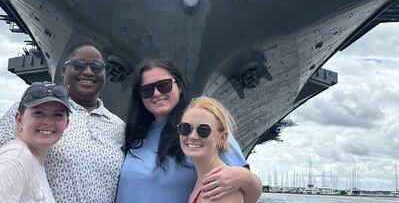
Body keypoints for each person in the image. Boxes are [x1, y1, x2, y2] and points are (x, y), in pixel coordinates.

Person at [116, 59, 262, 203]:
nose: (156, 93)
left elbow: (247, 193)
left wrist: (245, 177)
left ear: (179, 86)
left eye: (164, 85)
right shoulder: (134, 133)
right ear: (139, 96)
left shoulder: (203, 131)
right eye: (147, 90)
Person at [0, 43, 125, 203]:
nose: (88, 72)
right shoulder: (28, 112)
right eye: (79, 65)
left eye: (96, 67)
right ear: (63, 70)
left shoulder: (118, 126)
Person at [0, 82, 70, 203]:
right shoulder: (15, 159)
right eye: (38, 113)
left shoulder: (31, 159)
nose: (48, 122)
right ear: (19, 119)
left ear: (66, 124)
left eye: (57, 115)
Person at [179, 97, 244, 203]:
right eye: (185, 128)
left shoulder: (219, 190)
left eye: (203, 130)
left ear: (222, 138)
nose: (192, 136)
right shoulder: (206, 179)